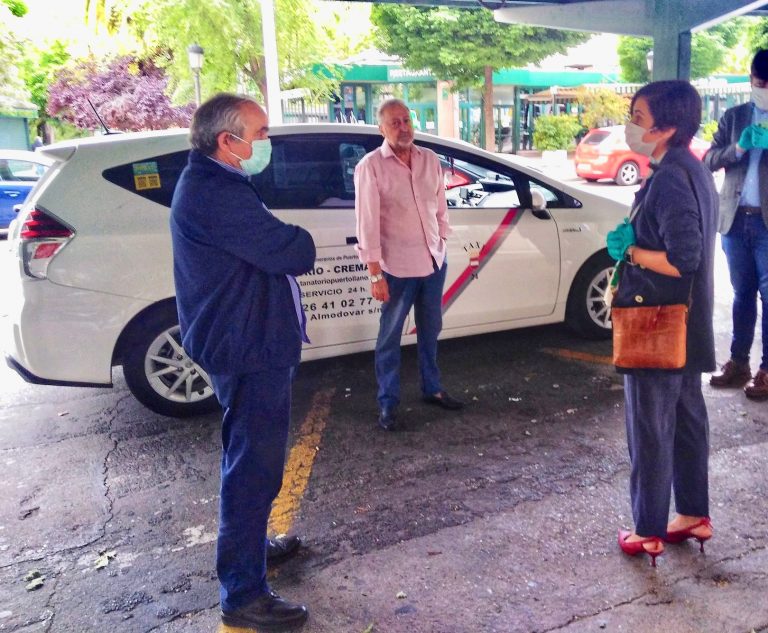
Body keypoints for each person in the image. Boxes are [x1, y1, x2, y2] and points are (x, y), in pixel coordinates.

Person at [170, 93, 315, 630]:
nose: (266, 143)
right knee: (253, 469)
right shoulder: (215, 194)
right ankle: (243, 593)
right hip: (247, 346)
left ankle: (250, 550)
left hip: (244, 340)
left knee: (249, 457)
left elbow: (269, 248)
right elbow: (294, 251)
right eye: (260, 133)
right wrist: (294, 238)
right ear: (228, 142)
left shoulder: (222, 182)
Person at [606, 80, 717, 566]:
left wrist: (630, 250)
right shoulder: (689, 166)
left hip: (658, 324)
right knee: (687, 422)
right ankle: (692, 513)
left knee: (650, 428)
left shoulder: (671, 175)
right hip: (686, 325)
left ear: (667, 127)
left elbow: (683, 258)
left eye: (638, 116)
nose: (631, 125)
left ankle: (647, 528)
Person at [354, 98, 464, 431]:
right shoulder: (370, 167)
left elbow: (440, 207)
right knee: (389, 338)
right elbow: (367, 224)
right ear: (381, 129)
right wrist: (375, 274)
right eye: (394, 123)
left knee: (431, 330)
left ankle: (432, 388)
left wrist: (441, 241)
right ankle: (388, 403)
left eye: (406, 120)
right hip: (395, 270)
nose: (403, 128)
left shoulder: (430, 160)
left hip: (433, 263)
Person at [705, 49, 768, 399]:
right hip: (734, 221)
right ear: (751, 80)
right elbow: (709, 160)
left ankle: (767, 371)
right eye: (761, 83)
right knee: (742, 295)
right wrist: (738, 149)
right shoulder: (733, 118)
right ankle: (739, 362)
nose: (765, 89)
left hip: (767, 226)